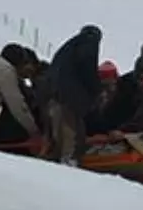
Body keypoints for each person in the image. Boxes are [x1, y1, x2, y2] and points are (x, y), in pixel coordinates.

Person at [44, 25, 102, 165]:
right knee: (72, 136)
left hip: (55, 96)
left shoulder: (66, 49)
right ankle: (69, 165)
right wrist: (95, 90)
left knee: (60, 137)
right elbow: (87, 68)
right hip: (71, 99)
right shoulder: (88, 44)